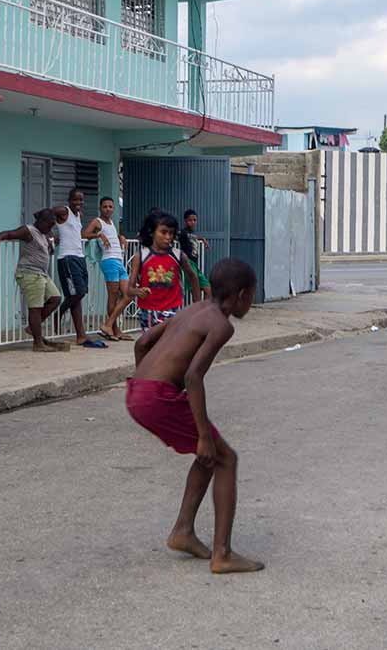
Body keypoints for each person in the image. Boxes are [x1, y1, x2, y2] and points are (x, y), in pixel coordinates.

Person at [126, 257, 264, 574]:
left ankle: (183, 531)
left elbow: (143, 341)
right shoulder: (221, 324)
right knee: (225, 458)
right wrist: (202, 434)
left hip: (137, 392)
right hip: (157, 397)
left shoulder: (193, 309)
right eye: (252, 296)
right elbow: (193, 376)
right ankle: (223, 554)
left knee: (209, 456)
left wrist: (142, 382)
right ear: (242, 294)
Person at [0, 209, 69, 352]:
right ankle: (38, 343)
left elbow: (48, 250)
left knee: (55, 298)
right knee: (35, 308)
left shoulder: (45, 234)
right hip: (29, 273)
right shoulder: (28, 231)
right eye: (49, 225)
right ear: (41, 222)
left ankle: (33, 327)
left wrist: (51, 242)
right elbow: (9, 233)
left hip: (42, 274)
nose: (50, 228)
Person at [128, 212, 201, 330]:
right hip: (148, 312)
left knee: (170, 346)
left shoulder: (178, 255)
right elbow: (129, 290)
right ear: (152, 232)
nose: (168, 237)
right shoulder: (141, 256)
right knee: (151, 347)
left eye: (171, 233)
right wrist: (138, 291)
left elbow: (193, 277)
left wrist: (197, 306)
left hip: (172, 310)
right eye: (163, 232)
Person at [52, 189, 100, 348]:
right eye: (75, 200)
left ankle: (81, 336)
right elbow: (44, 214)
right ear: (69, 200)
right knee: (77, 292)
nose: (79, 203)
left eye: (81, 200)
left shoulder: (78, 215)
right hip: (67, 258)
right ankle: (59, 313)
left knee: (79, 295)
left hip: (79, 257)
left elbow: (76, 234)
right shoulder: (63, 211)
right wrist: (47, 235)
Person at [83, 197, 131, 342]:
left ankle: (109, 325)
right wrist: (98, 234)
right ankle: (114, 330)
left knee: (128, 294)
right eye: (105, 206)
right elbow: (84, 234)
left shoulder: (111, 222)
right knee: (113, 296)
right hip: (108, 260)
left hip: (119, 260)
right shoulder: (97, 222)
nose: (108, 209)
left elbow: (112, 236)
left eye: (110, 206)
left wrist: (120, 236)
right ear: (100, 208)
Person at [178, 209, 212, 301]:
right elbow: (175, 234)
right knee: (195, 291)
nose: (193, 222)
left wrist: (202, 239)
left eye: (195, 220)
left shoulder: (192, 234)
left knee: (208, 289)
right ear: (185, 221)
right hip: (188, 264)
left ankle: (202, 312)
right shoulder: (182, 233)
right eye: (190, 220)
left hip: (195, 265)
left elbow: (194, 237)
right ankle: (197, 313)